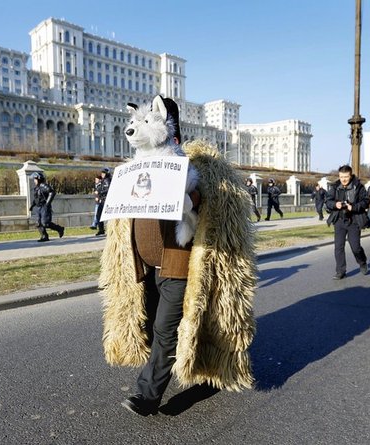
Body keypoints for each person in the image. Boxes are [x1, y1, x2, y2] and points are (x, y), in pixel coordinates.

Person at [101, 97, 256, 417]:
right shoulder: (136, 168)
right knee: (156, 324)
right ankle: (193, 366)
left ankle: (148, 395)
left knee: (164, 329)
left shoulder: (184, 167)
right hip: (145, 265)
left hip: (177, 264)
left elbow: (204, 206)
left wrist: (186, 198)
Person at [325, 164, 370, 279]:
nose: (343, 179)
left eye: (346, 177)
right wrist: (335, 204)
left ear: (350, 176)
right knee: (338, 247)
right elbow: (328, 201)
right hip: (339, 220)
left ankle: (362, 262)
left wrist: (353, 207)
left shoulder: (358, 186)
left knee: (355, 247)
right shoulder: (335, 187)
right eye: (341, 177)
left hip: (353, 220)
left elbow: (366, 201)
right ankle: (340, 271)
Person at [29, 171, 65, 242]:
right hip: (38, 207)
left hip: (44, 207)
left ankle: (59, 229)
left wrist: (47, 203)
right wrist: (32, 205)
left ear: (38, 179)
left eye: (35, 179)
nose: (34, 181)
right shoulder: (37, 188)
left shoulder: (43, 186)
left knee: (45, 223)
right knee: (38, 223)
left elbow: (52, 192)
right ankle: (44, 236)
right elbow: (36, 199)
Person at [94, 168, 111, 236]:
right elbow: (101, 187)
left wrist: (99, 192)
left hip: (106, 200)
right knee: (98, 215)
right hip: (102, 200)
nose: (102, 174)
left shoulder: (107, 180)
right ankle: (101, 230)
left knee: (104, 215)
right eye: (102, 173)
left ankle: (104, 230)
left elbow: (108, 189)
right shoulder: (103, 180)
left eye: (104, 173)